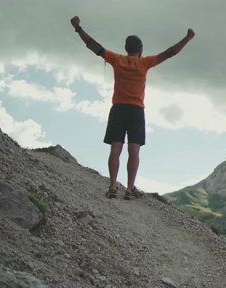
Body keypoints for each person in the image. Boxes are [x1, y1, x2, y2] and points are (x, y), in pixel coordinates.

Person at [70, 16, 195, 200]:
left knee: (115, 148)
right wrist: (188, 38)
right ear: (140, 50)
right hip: (136, 110)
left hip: (118, 108)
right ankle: (129, 189)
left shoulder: (116, 59)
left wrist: (78, 28)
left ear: (126, 49)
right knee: (134, 149)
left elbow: (93, 46)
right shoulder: (145, 63)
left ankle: (113, 187)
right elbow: (170, 53)